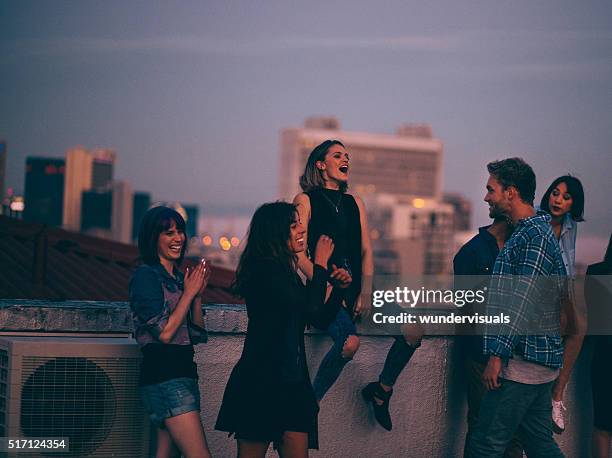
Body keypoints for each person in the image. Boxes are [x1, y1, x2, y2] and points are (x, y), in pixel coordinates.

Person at [294, 140, 421, 431]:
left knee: (413, 329)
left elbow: (365, 251)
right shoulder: (305, 200)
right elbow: (298, 253)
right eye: (337, 155)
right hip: (323, 291)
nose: (345, 160)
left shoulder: (354, 203)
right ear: (320, 164)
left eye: (347, 156)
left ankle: (382, 390)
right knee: (349, 342)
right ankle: (307, 407)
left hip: (357, 291)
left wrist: (365, 293)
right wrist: (324, 285)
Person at [215, 202, 351, 457]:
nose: (301, 229)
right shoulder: (264, 273)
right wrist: (319, 264)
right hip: (260, 383)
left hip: (293, 384)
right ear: (275, 232)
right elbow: (311, 308)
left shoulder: (289, 275)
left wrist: (339, 289)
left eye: (300, 223)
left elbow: (319, 319)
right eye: (293, 224)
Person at [467, 158, 567, 458]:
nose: (486, 197)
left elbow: (521, 299)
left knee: (485, 444)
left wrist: (497, 355)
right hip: (536, 362)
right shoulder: (530, 233)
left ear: (510, 192)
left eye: (491, 189)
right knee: (540, 444)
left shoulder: (533, 236)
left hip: (522, 363)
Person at [130, 205, 212, 458]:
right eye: (168, 233)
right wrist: (188, 293)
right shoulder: (146, 276)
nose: (178, 238)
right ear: (153, 238)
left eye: (180, 232)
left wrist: (196, 296)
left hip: (183, 373)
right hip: (165, 377)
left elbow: (197, 334)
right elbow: (164, 334)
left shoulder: (178, 278)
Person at [454, 216, 522, 458]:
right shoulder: (471, 252)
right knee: (482, 430)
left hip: (516, 358)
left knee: (514, 435)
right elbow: (464, 308)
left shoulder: (522, 247)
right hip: (481, 355)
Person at [539, 175, 586, 433]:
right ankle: (543, 395)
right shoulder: (535, 219)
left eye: (566, 197)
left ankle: (556, 397)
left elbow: (568, 268)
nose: (558, 200)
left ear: (573, 205)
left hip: (558, 292)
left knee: (579, 327)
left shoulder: (570, 226)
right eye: (555, 193)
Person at [585, 234, 612, 458]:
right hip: (605, 356)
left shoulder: (596, 272)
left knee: (602, 425)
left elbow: (593, 322)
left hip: (605, 356)